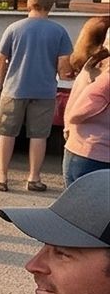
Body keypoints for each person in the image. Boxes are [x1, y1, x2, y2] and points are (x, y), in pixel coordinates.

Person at [0, 0, 74, 192]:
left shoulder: (14, 28)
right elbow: (64, 65)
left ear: (29, 4)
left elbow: (0, 58)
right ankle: (34, 178)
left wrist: (0, 82)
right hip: (44, 91)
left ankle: (2, 177)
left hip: (14, 88)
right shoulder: (59, 31)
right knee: (39, 136)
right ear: (50, 7)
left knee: (7, 133)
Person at [58, 14, 110, 183]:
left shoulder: (91, 67)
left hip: (81, 147)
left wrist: (68, 127)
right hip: (93, 153)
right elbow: (77, 112)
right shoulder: (104, 77)